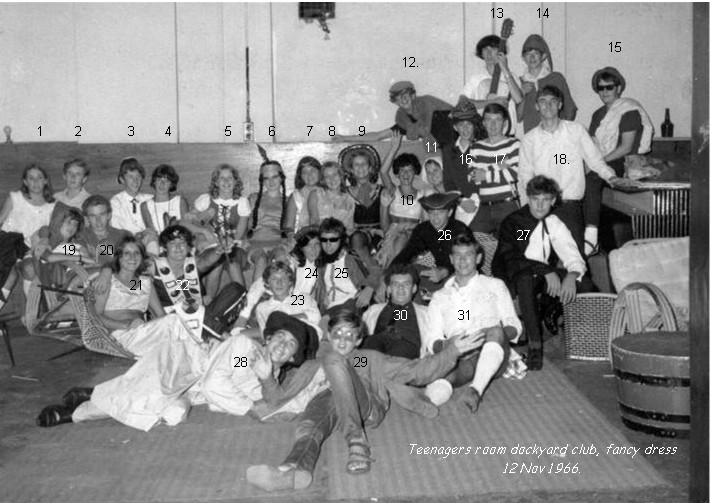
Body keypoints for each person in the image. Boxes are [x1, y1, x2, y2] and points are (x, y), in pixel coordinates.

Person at [246, 308, 482, 491]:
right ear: (329, 335)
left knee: (334, 361)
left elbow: (416, 371)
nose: (342, 340)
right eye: (337, 333)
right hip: (331, 407)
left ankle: (357, 442)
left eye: (350, 336)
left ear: (358, 340)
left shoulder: (364, 359)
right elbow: (279, 398)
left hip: (366, 408)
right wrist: (267, 378)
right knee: (310, 424)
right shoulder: (312, 366)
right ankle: (292, 468)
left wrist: (452, 352)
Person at [36, 310, 319, 432]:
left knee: (174, 414)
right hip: (185, 361)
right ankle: (79, 412)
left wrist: (267, 380)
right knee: (152, 395)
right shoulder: (247, 351)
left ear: (294, 356)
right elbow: (216, 384)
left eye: (290, 343)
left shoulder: (270, 377)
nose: (282, 344)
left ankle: (97, 392)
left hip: (190, 390)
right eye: (279, 337)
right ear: (268, 339)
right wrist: (249, 408)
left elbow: (227, 401)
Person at [492, 176, 593, 370]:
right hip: (514, 276)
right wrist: (545, 270)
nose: (540, 205)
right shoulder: (515, 222)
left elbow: (572, 253)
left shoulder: (554, 222)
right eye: (535, 199)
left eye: (545, 199)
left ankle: (583, 338)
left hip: (543, 274)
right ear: (527, 198)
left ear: (553, 201)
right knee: (525, 279)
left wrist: (572, 275)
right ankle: (535, 345)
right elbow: (512, 257)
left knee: (586, 284)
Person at [518, 85, 624, 256]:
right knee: (541, 262)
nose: (548, 106)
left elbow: (595, 161)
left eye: (553, 101)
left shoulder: (576, 130)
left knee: (577, 263)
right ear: (536, 106)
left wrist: (612, 177)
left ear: (560, 105)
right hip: (542, 207)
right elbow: (524, 176)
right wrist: (531, 206)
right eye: (543, 102)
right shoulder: (530, 139)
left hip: (570, 208)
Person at [424, 233, 522, 411]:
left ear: (478, 258)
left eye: (468, 255)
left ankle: (475, 390)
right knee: (438, 389)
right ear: (451, 259)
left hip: (494, 348)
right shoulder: (439, 297)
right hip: (461, 354)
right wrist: (447, 343)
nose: (463, 260)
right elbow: (432, 340)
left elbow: (514, 325)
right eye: (458, 255)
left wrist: (491, 335)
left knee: (495, 331)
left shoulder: (495, 285)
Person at [584, 67, 654, 255]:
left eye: (609, 87)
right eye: (601, 88)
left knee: (592, 178)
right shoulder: (597, 114)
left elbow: (625, 147)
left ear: (619, 88)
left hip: (624, 160)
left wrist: (596, 163)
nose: (605, 91)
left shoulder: (629, 110)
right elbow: (592, 144)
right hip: (604, 160)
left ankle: (591, 233)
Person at [236, 228, 322, 331]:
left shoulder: (319, 266)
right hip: (274, 304)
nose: (314, 249)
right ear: (302, 247)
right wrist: (243, 317)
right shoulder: (290, 263)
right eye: (309, 245)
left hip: (294, 309)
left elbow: (306, 300)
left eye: (317, 244)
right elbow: (258, 286)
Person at [185, 164, 250, 293]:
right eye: (222, 178)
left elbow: (238, 235)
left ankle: (243, 300)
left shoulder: (242, 202)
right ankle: (210, 304)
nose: (226, 182)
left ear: (236, 181)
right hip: (210, 245)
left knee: (231, 262)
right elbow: (185, 222)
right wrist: (203, 231)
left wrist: (227, 243)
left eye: (230, 178)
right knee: (216, 263)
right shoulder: (206, 200)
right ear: (216, 182)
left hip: (233, 246)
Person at [0, 164, 58, 308]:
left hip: (28, 249)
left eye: (39, 178)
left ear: (45, 180)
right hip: (6, 245)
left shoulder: (52, 206)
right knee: (10, 275)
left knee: (31, 267)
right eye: (31, 178)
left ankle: (34, 313)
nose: (35, 182)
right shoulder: (15, 198)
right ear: (25, 181)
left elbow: (50, 232)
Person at [391, 192, 472, 292]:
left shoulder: (458, 230)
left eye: (440, 212)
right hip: (438, 274)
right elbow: (407, 253)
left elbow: (466, 261)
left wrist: (445, 271)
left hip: (462, 276)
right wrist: (388, 275)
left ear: (450, 212)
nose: (435, 217)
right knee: (409, 275)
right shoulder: (424, 229)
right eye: (431, 212)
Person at [333, 81, 454, 148]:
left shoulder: (428, 103)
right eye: (399, 97)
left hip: (465, 145)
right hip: (445, 151)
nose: (404, 99)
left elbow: (460, 118)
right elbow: (378, 136)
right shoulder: (405, 121)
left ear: (413, 95)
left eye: (406, 95)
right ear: (395, 102)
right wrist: (345, 138)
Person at [467, 102, 520, 234]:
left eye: (497, 120)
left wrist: (485, 174)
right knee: (473, 240)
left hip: (507, 205)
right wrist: (500, 166)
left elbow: (515, 173)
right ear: (483, 123)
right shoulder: (475, 147)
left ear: (505, 122)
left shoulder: (514, 144)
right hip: (484, 206)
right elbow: (471, 177)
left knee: (509, 246)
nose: (493, 124)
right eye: (489, 120)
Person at [377, 132, 427, 267]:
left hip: (413, 236)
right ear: (397, 173)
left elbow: (425, 225)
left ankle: (394, 271)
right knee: (400, 239)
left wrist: (411, 228)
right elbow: (383, 172)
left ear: (415, 172)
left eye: (409, 170)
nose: (405, 174)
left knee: (404, 239)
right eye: (402, 170)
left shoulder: (422, 195)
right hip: (393, 235)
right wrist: (394, 147)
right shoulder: (393, 190)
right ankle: (395, 270)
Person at [360, 263, 430, 359]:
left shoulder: (427, 314)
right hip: (375, 361)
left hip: (408, 364)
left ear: (414, 289)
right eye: (395, 284)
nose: (400, 288)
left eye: (406, 284)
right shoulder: (373, 311)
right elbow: (361, 341)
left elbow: (433, 344)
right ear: (389, 289)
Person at [314, 218, 381, 314]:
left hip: (354, 304)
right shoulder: (319, 261)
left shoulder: (354, 256)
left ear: (341, 240)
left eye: (333, 240)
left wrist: (369, 288)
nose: (328, 245)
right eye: (324, 240)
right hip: (330, 308)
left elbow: (376, 270)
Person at [461, 34, 522, 135]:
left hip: (507, 135)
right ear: (481, 53)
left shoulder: (511, 76)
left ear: (500, 52)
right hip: (483, 135)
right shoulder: (476, 78)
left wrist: (505, 69)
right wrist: (489, 102)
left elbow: (518, 99)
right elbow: (463, 103)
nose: (489, 53)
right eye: (485, 49)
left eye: (493, 49)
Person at [517, 34, 577, 134]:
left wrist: (562, 133)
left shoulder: (556, 78)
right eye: (528, 54)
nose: (532, 57)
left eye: (536, 53)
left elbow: (570, 109)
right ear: (523, 57)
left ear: (544, 56)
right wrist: (522, 95)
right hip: (532, 137)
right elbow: (518, 117)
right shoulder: (519, 81)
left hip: (557, 136)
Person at [247, 161, 289, 284]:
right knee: (261, 260)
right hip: (256, 241)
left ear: (281, 178)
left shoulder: (288, 201)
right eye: (266, 178)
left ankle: (282, 299)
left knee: (281, 258)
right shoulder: (253, 198)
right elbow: (244, 223)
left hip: (279, 241)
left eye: (275, 177)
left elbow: (291, 226)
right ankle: (253, 300)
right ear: (262, 181)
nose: (271, 182)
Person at [339, 144, 384, 234]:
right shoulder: (345, 192)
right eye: (356, 164)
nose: (360, 167)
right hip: (354, 236)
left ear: (370, 168)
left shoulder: (381, 190)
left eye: (364, 164)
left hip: (379, 234)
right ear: (351, 169)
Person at [75, 195, 131, 267]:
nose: (98, 220)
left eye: (102, 214)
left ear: (109, 215)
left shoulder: (124, 235)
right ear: (87, 218)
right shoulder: (79, 236)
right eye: (93, 216)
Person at [140, 164, 189, 242]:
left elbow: (186, 227)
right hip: (156, 241)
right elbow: (151, 231)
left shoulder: (180, 201)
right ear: (154, 181)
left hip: (178, 241)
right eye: (159, 179)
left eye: (166, 181)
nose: (162, 184)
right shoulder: (145, 206)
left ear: (171, 184)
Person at [307, 162, 355, 232]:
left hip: (341, 239)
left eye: (334, 175)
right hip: (321, 237)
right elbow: (313, 221)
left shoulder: (349, 199)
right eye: (327, 177)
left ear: (341, 176)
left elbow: (350, 227)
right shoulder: (316, 195)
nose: (332, 179)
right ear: (323, 180)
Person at [110, 157, 152, 235]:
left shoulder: (150, 199)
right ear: (122, 179)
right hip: (126, 242)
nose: (135, 181)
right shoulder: (115, 202)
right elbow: (117, 230)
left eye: (138, 177)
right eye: (130, 177)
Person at [284, 157, 322, 237]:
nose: (309, 175)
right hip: (303, 238)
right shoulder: (296, 196)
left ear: (319, 172)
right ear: (300, 176)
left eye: (312, 170)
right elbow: (289, 226)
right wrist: (293, 236)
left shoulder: (328, 192)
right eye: (305, 172)